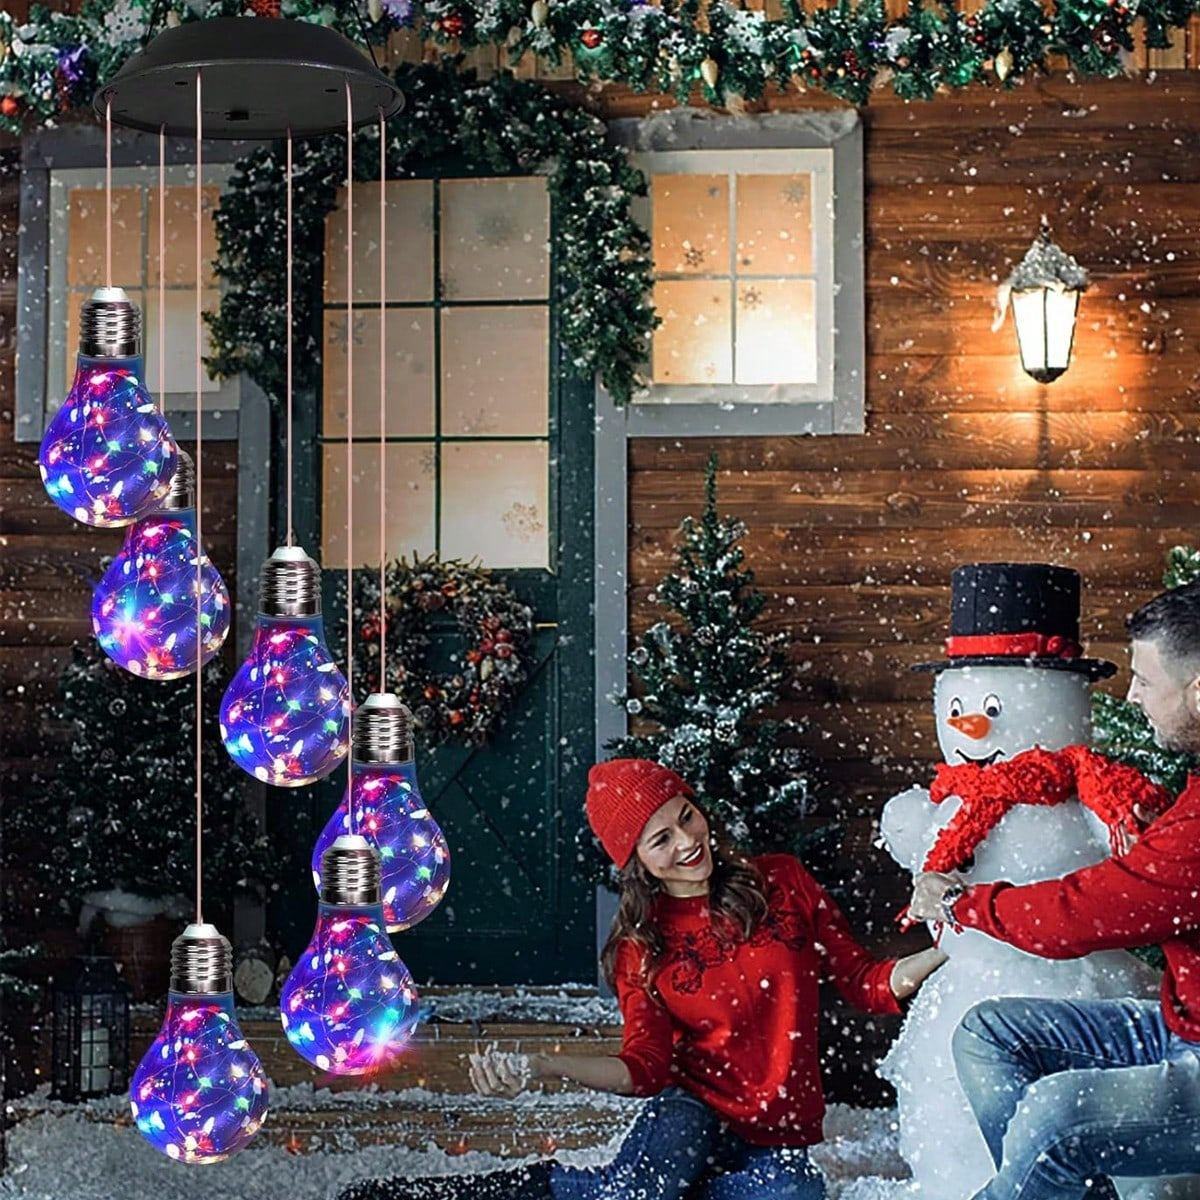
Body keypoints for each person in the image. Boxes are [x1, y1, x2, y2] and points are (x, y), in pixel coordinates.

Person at [908, 579, 1200, 1200]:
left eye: (1146, 681)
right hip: (1183, 1023)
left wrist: (962, 902)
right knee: (989, 1034)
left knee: (1056, 1116)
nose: (1132, 697)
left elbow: (1084, 912)